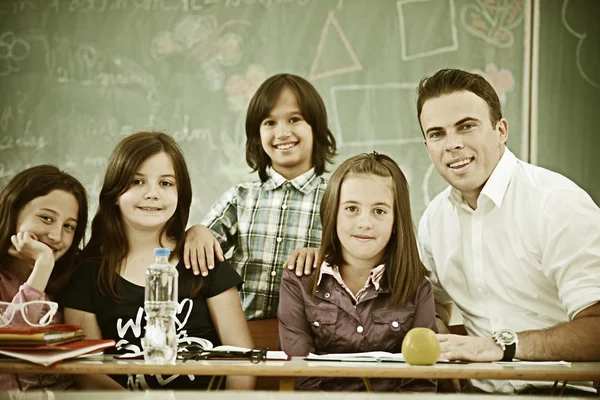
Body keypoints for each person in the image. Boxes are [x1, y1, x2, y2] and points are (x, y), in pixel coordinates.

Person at [417, 68, 600, 393]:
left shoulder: (557, 203)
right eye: (437, 134)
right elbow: (437, 307)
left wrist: (503, 345)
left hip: (566, 392)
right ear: (427, 144)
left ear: (501, 130)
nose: (452, 144)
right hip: (477, 394)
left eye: (466, 126)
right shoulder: (433, 219)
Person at [58, 132, 255, 390]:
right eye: (137, 181)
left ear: (180, 193)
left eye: (165, 183)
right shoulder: (88, 272)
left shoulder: (204, 260)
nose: (152, 193)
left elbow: (242, 359)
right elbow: (88, 372)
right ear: (115, 193)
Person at [278, 152, 437, 392]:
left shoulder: (417, 288)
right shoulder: (298, 281)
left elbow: (420, 383)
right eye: (352, 208)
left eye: (379, 211)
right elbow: (301, 376)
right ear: (333, 214)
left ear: (396, 222)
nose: (365, 222)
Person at [183, 73, 337, 320]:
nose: (282, 132)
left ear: (316, 128)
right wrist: (197, 232)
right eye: (269, 122)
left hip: (314, 341)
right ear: (257, 135)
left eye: (294, 119)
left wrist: (328, 259)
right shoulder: (240, 198)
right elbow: (202, 251)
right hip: (242, 337)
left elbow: (357, 264)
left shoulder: (339, 199)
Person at [0, 165, 88, 391]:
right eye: (46, 218)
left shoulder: (76, 278)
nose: (56, 236)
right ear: (13, 211)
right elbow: (12, 344)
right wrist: (43, 264)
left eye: (69, 226)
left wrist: (193, 232)